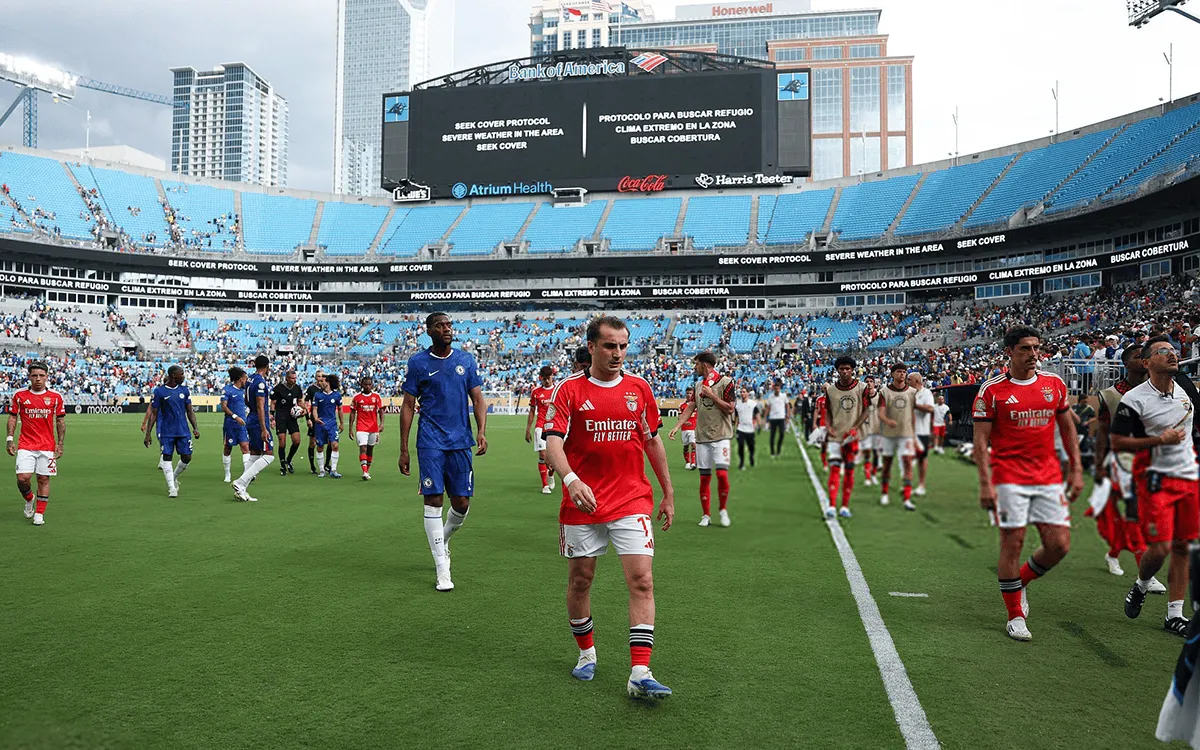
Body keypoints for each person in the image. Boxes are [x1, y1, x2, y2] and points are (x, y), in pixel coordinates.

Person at [543, 315, 675, 700]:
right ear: (592, 347)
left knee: (642, 580)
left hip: (631, 498)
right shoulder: (568, 390)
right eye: (609, 346)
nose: (617, 353)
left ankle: (640, 671)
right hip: (582, 501)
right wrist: (571, 479)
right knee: (581, 581)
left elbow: (652, 442)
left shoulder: (640, 388)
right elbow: (552, 443)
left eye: (622, 346)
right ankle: (586, 653)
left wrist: (667, 492)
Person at [973, 326, 1083, 642]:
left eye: (1037, 348)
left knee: (1059, 545)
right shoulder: (991, 391)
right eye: (1025, 349)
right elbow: (981, 443)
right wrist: (985, 483)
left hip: (1047, 475)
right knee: (1013, 542)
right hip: (1008, 475)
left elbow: (1068, 431)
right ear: (1009, 352)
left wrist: (1076, 470)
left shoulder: (1054, 385)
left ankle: (1020, 582)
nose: (1034, 354)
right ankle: (1014, 616)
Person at [1113, 336, 1200, 637]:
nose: (1172, 355)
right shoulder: (1134, 399)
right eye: (1163, 352)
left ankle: (1174, 614)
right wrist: (1157, 441)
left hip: (1188, 477)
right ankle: (1141, 584)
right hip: (1154, 478)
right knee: (1161, 547)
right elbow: (1117, 441)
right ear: (1147, 363)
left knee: (1183, 546)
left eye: (1174, 351)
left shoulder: (1186, 388)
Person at [399, 312, 488, 592]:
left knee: (461, 504)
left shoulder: (465, 360)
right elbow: (408, 405)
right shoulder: (418, 363)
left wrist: (481, 430)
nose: (447, 329)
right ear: (429, 331)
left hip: (461, 441)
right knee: (433, 500)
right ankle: (442, 569)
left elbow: (477, 398)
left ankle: (444, 539)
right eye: (441, 325)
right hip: (430, 441)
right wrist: (404, 448)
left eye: (449, 325)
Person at [1091, 343, 1158, 586]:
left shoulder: (1160, 390)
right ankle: (1145, 574)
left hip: (1155, 459)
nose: (1143, 360)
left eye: (1145, 356)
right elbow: (1102, 432)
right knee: (1133, 510)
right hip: (1123, 460)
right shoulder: (1111, 395)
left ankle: (1113, 554)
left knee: (1148, 516)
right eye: (1138, 357)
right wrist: (1099, 465)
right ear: (1126, 363)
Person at [668, 351, 735, 528]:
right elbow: (691, 407)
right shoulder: (698, 385)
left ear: (705, 364)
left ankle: (723, 510)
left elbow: (730, 408)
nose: (694, 367)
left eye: (696, 364)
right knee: (704, 477)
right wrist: (676, 426)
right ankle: (706, 514)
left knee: (721, 474)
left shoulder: (726, 382)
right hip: (702, 437)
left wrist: (712, 395)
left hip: (721, 436)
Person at [7, 361, 65, 526]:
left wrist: (60, 444)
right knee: (22, 479)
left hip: (47, 446)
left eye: (41, 376)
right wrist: (9, 439)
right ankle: (29, 498)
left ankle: (39, 513)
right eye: (34, 376)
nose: (38, 379)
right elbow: (12, 417)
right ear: (29, 377)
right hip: (26, 444)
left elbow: (60, 421)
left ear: (47, 377)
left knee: (43, 479)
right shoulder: (19, 395)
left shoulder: (56, 396)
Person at [824, 356, 872, 519]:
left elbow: (866, 410)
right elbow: (828, 411)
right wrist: (828, 427)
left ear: (853, 370)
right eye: (841, 369)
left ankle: (844, 506)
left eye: (848, 369)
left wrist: (855, 427)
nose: (845, 371)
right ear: (837, 371)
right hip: (836, 436)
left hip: (853, 438)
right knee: (835, 469)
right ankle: (831, 505)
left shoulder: (862, 387)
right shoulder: (830, 390)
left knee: (850, 472)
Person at [142, 364, 200, 499]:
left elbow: (190, 411)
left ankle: (173, 477)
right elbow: (154, 414)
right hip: (167, 431)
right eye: (182, 374)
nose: (184, 376)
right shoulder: (160, 392)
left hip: (183, 430)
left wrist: (195, 428)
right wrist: (148, 433)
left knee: (187, 457)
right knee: (167, 457)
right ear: (174, 375)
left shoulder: (184, 390)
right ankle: (171, 488)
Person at [232, 355, 275, 502]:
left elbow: (246, 400)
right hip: (258, 420)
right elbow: (260, 405)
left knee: (255, 454)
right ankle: (240, 482)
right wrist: (264, 428)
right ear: (267, 366)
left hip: (251, 418)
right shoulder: (260, 383)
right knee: (269, 455)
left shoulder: (249, 379)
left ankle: (243, 488)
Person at [877, 363, 918, 511]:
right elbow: (880, 412)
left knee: (907, 463)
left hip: (906, 434)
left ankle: (907, 498)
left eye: (904, 372)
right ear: (892, 374)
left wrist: (914, 434)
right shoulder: (884, 391)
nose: (902, 374)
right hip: (888, 434)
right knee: (887, 463)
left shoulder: (912, 392)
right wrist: (888, 421)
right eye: (899, 372)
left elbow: (913, 414)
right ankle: (884, 492)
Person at [525, 365, 557, 493]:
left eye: (549, 378)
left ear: (552, 377)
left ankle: (551, 474)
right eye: (544, 379)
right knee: (543, 454)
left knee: (555, 456)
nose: (547, 381)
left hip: (555, 427)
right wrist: (528, 429)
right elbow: (532, 410)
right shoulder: (536, 392)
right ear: (541, 379)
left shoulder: (558, 390)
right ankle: (545, 485)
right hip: (540, 426)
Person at [220, 367, 251, 484]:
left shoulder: (245, 391)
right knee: (228, 448)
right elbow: (224, 406)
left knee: (245, 447)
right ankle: (227, 474)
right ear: (240, 379)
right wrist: (235, 417)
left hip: (242, 424)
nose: (246, 381)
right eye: (245, 378)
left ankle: (246, 474)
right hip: (230, 424)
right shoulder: (227, 390)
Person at [349, 375, 384, 480]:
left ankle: (367, 470)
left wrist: (381, 424)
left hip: (373, 427)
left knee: (370, 449)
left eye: (369, 384)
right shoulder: (357, 397)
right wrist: (350, 428)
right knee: (363, 448)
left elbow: (381, 410)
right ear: (361, 385)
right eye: (365, 384)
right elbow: (352, 412)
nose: (368, 386)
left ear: (372, 385)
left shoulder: (376, 397)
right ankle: (364, 471)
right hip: (361, 427)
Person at [271, 370, 304, 476]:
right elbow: (273, 403)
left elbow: (300, 401)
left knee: (297, 441)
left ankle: (288, 460)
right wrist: (272, 417)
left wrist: (303, 410)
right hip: (280, 416)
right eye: (292, 378)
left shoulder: (297, 388)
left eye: (295, 378)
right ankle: (282, 465)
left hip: (292, 417)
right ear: (287, 378)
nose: (294, 380)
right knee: (282, 442)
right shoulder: (278, 388)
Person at [312, 374, 345, 478]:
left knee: (335, 445)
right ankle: (322, 470)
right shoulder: (317, 395)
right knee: (320, 447)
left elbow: (340, 409)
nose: (320, 383)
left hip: (332, 424)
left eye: (322, 381)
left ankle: (333, 470)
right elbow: (314, 409)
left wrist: (342, 423)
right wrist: (316, 418)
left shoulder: (336, 395)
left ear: (327, 383)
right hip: (320, 424)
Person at [908, 372, 935, 497]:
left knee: (922, 459)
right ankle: (909, 485)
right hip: (909, 432)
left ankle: (922, 485)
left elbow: (930, 409)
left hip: (921, 431)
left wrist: (916, 405)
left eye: (910, 379)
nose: (907, 381)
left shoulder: (926, 393)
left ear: (917, 381)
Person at [304, 371, 327, 475]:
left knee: (329, 443)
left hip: (326, 418)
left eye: (322, 376)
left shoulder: (328, 387)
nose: (320, 378)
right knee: (313, 442)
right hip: (314, 418)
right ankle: (312, 466)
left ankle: (326, 465)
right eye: (318, 376)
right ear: (315, 377)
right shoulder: (312, 389)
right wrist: (308, 418)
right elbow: (306, 403)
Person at [860, 375, 881, 485]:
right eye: (867, 381)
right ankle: (868, 476)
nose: (869, 383)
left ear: (874, 383)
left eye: (871, 381)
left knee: (876, 453)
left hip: (876, 428)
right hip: (865, 429)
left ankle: (873, 474)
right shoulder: (861, 398)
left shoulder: (880, 397)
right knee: (867, 452)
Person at [734, 388, 760, 470]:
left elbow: (757, 415)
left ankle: (751, 457)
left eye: (744, 392)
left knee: (751, 446)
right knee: (740, 445)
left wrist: (759, 425)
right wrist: (734, 428)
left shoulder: (753, 404)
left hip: (750, 429)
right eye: (741, 392)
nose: (742, 393)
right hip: (740, 429)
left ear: (747, 393)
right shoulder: (737, 405)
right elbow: (736, 417)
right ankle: (741, 462)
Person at [766, 380, 791, 458]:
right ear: (773, 389)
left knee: (782, 434)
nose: (777, 389)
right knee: (772, 436)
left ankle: (778, 450)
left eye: (778, 388)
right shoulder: (770, 397)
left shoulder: (783, 396)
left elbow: (787, 405)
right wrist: (765, 418)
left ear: (780, 389)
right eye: (775, 388)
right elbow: (768, 407)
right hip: (773, 418)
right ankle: (773, 452)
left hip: (781, 418)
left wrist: (787, 415)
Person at [680, 404, 697, 471]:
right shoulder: (682, 405)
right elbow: (679, 416)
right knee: (685, 446)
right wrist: (684, 421)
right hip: (684, 429)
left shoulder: (696, 404)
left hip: (693, 428)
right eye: (688, 393)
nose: (689, 394)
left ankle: (693, 463)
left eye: (690, 393)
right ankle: (687, 462)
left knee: (693, 444)